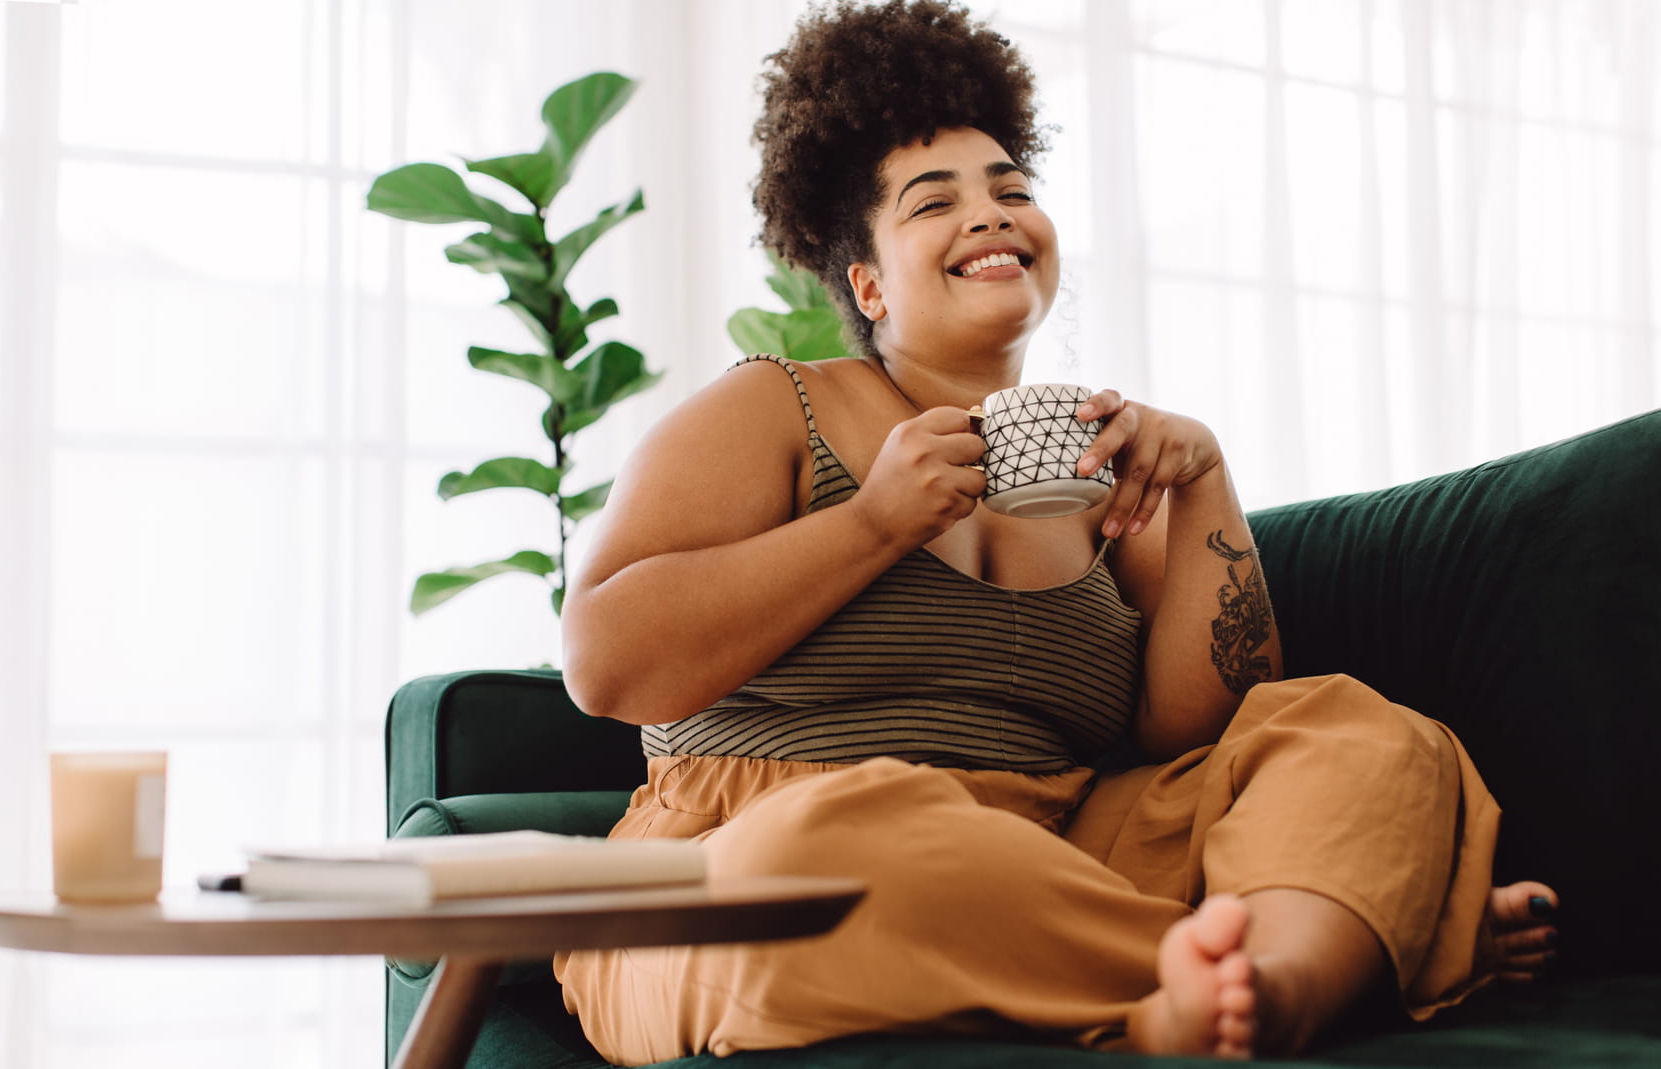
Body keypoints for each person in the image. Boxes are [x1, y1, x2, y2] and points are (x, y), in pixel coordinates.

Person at [552, 1, 1557, 1062]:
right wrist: (875, 522)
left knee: (1356, 731)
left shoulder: (1087, 462)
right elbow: (606, 664)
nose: (989, 215)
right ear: (866, 283)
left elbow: (1196, 724)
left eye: (1011, 191)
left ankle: (1255, 991)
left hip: (1061, 851)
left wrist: (1201, 478)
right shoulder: (772, 410)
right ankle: (1336, 950)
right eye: (933, 201)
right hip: (737, 858)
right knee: (845, 841)